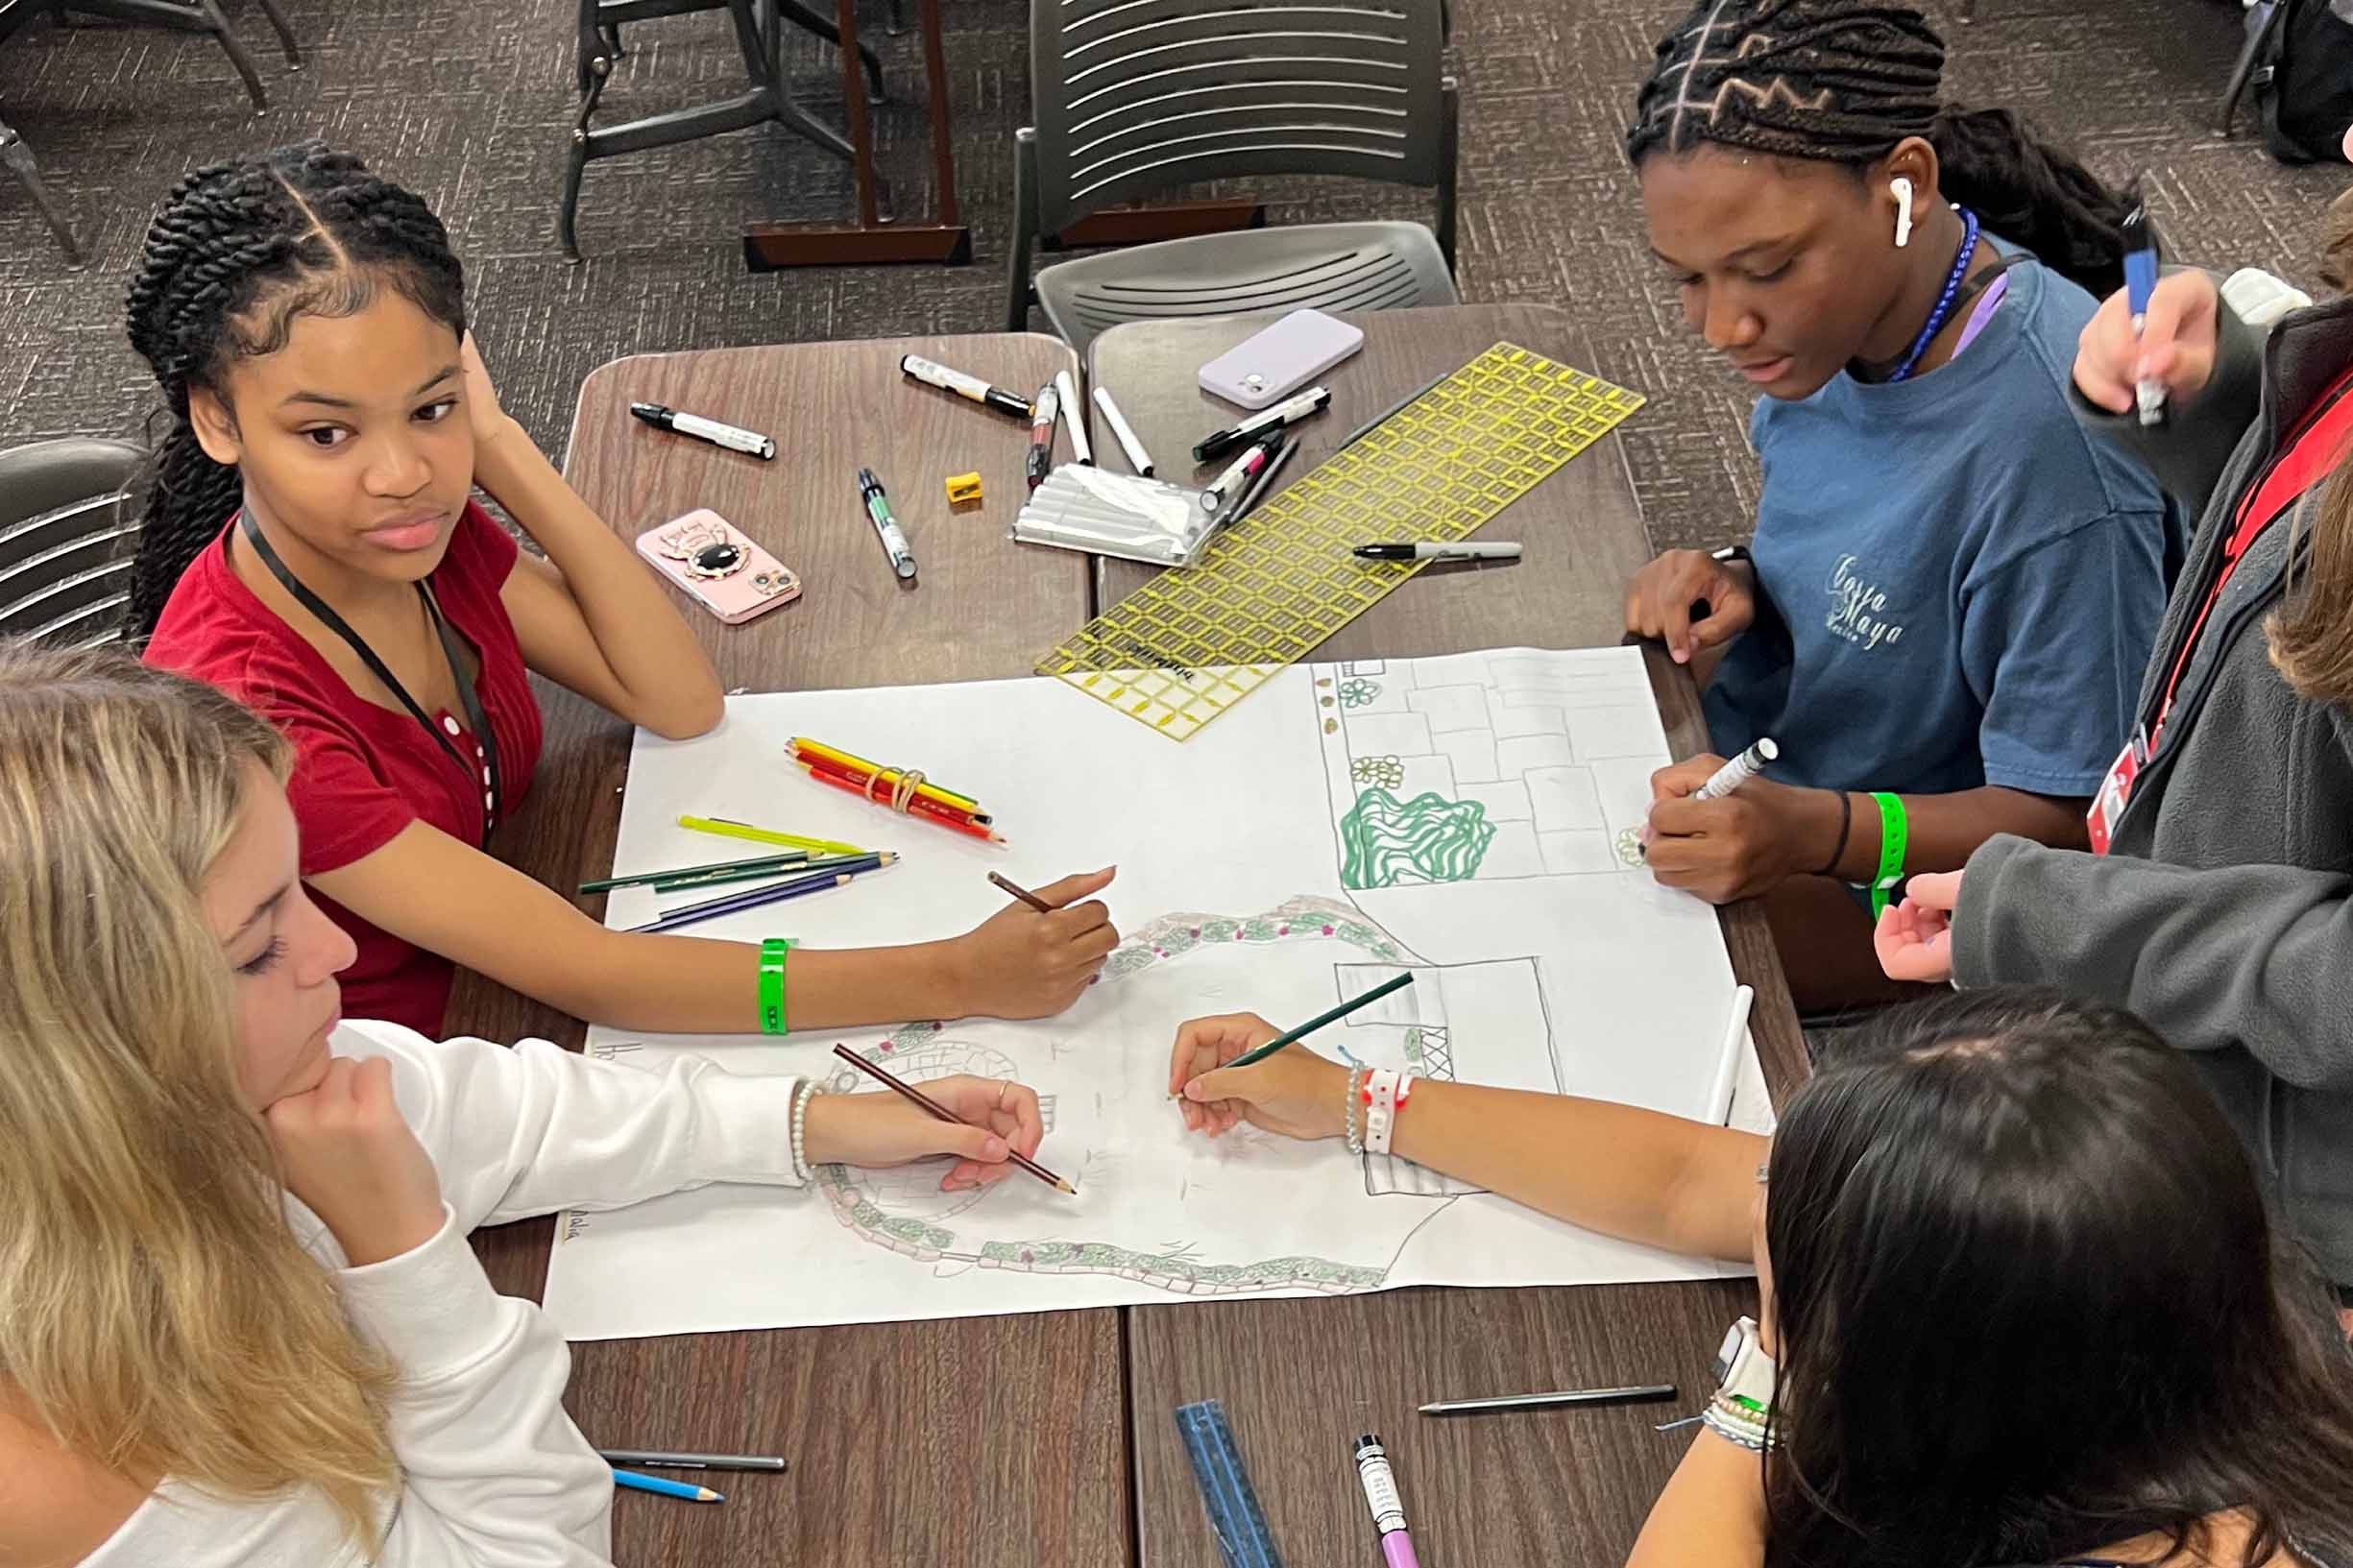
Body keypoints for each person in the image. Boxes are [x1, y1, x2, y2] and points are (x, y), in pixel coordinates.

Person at [0, 643, 1054, 1566]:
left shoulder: (246, 1082)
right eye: (257, 944)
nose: (339, 950)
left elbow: (505, 1113)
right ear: (82, 1047)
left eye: (301, 892)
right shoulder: (56, 1456)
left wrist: (809, 1120)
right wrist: (405, 1252)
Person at [128, 142, 1116, 1039]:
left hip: (514, 957)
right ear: (217, 420)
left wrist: (500, 445)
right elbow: (593, 974)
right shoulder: (247, 717)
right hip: (404, 1067)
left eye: (432, 406)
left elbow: (676, 700)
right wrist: (954, 975)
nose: (402, 472)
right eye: (326, 433)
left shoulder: (407, 539)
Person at [1167, 989, 2353, 1568]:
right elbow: (1689, 1175)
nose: (1759, 1225)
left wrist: (1765, 1381)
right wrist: (1353, 1100)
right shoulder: (2146, 1297)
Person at [1618, 1, 2182, 1013]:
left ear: (1903, 188)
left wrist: (1816, 833)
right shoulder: (1834, 327)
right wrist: (1740, 579)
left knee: (1607, 960)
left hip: (1909, 873)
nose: (1719, 325)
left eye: (1764, 268)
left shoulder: (2058, 469)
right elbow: (1874, 534)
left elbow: (2072, 818)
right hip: (1772, 774)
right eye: (1683, 281)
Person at [1876, 122, 2353, 1299]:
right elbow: (2296, 585)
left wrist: (2056, 918)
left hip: (2295, 1217)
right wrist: (2216, 407)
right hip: (2214, 1084)